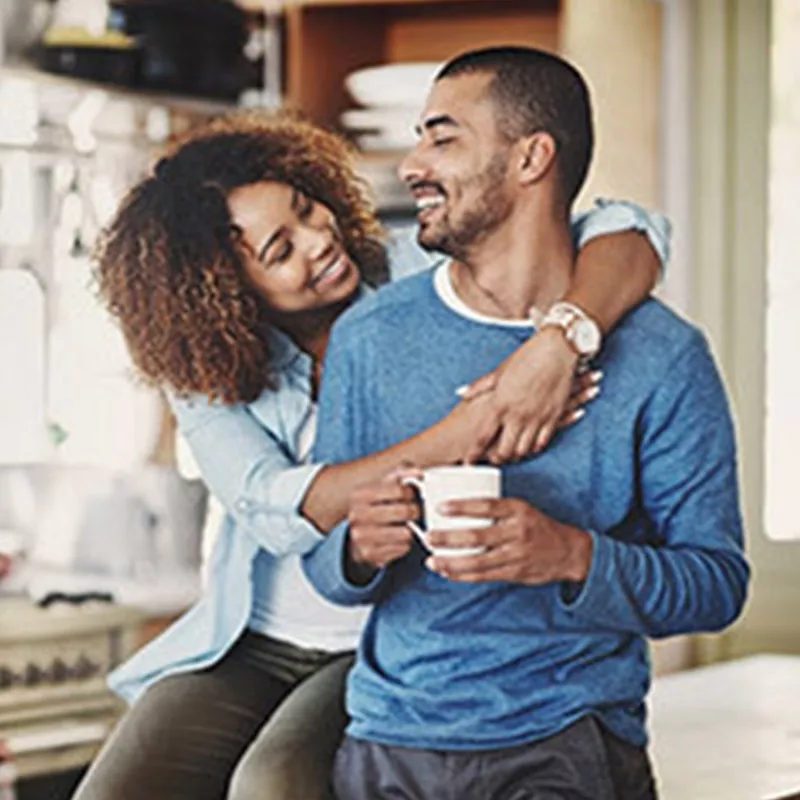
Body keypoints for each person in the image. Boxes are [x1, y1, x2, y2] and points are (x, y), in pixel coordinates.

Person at [74, 110, 669, 800]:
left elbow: (630, 230)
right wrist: (479, 420)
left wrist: (559, 343)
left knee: (274, 783)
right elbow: (277, 504)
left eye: (305, 208)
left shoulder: (421, 266)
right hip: (255, 641)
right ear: (226, 297)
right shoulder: (204, 369)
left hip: (384, 637)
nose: (318, 241)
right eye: (280, 251)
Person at [303, 47, 750, 800]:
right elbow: (326, 564)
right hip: (389, 748)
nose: (413, 164)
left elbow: (716, 584)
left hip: (566, 748)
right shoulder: (370, 336)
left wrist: (570, 554)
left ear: (531, 158)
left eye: (443, 138)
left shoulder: (664, 358)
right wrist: (355, 549)